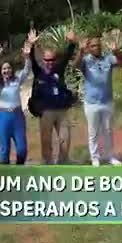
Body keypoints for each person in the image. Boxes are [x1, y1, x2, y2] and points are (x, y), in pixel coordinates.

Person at [27, 28, 78, 165]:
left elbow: (67, 56)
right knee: (46, 139)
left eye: (52, 60)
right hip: (46, 111)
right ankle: (47, 162)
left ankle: (63, 161)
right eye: (47, 60)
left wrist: (71, 42)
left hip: (61, 110)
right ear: (43, 60)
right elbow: (32, 59)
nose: (49, 62)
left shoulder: (58, 70)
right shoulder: (39, 72)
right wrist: (31, 45)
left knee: (65, 138)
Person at [75, 35, 122, 167]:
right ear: (89, 48)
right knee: (93, 132)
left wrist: (116, 51)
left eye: (98, 45)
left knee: (108, 130)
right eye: (93, 46)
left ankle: (110, 157)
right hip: (91, 103)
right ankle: (94, 157)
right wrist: (80, 51)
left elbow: (121, 62)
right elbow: (76, 65)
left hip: (107, 101)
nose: (97, 47)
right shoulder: (86, 60)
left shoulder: (108, 58)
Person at [0, 40, 31, 165]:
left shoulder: (17, 80)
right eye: (4, 69)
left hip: (17, 116)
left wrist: (27, 57)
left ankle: (19, 170)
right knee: (4, 150)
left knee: (22, 149)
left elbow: (27, 70)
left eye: (8, 68)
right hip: (3, 118)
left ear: (12, 69)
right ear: (0, 71)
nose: (6, 71)